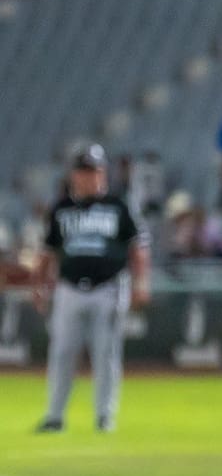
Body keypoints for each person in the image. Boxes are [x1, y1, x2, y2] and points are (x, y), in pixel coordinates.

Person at [33, 144, 150, 434]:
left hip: (108, 288)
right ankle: (54, 416)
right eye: (83, 171)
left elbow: (138, 248)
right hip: (68, 288)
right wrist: (40, 286)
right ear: (73, 175)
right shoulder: (61, 208)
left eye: (94, 171)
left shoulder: (119, 204)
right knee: (61, 352)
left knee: (106, 353)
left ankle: (104, 416)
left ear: (103, 173)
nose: (88, 177)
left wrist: (140, 283)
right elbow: (47, 253)